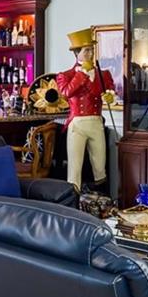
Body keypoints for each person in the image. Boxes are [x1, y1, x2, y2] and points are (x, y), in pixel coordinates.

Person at [55, 27, 116, 191]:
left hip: (96, 122)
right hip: (77, 124)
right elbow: (66, 92)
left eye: (91, 49)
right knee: (74, 167)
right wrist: (82, 74)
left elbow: (109, 91)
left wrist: (110, 96)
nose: (90, 53)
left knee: (100, 166)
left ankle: (101, 200)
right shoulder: (66, 75)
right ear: (77, 53)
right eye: (86, 50)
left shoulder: (104, 75)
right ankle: (73, 200)